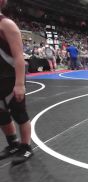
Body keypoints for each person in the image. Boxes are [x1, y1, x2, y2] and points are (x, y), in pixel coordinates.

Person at [0, 0, 34, 166]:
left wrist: (20, 84)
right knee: (2, 114)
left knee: (19, 114)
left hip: (11, 78)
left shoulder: (6, 24)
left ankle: (26, 146)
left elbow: (19, 56)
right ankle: (13, 144)